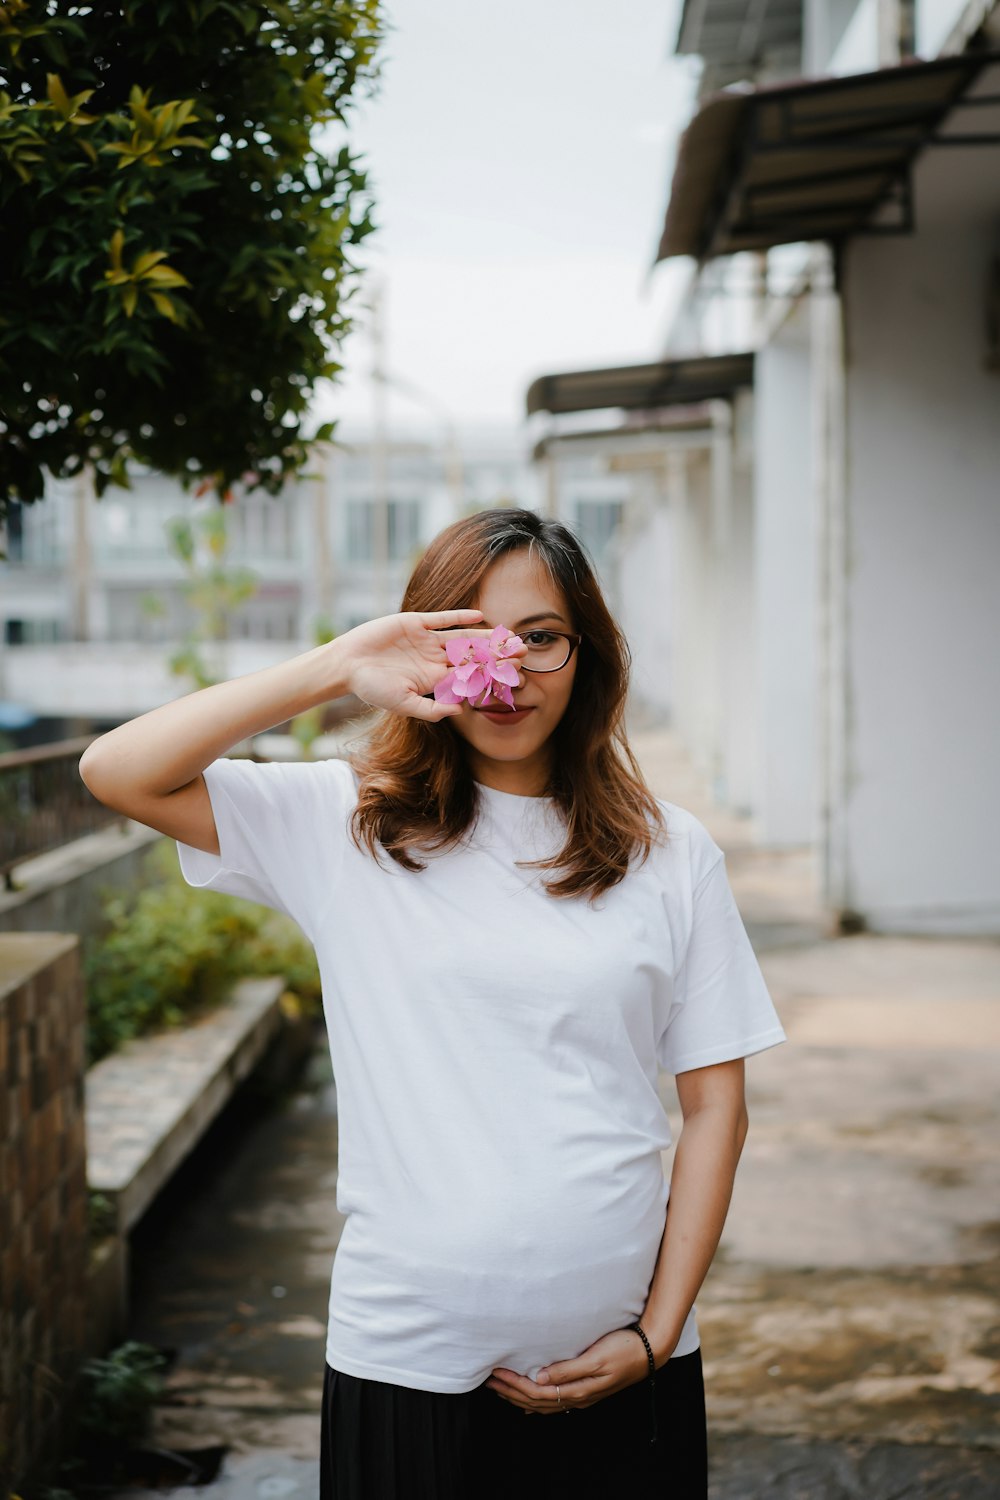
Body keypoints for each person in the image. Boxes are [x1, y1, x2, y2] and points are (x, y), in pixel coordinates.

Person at [79, 506, 787, 1499]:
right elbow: (114, 770)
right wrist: (339, 663)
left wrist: (655, 1335)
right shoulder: (342, 823)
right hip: (406, 1361)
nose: (507, 670)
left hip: (627, 1359)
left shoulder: (667, 852)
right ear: (421, 647)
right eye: (467, 636)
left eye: (539, 637)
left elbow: (716, 1105)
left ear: (587, 653)